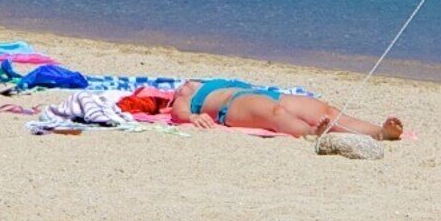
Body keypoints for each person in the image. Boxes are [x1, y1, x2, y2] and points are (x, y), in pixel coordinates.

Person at [165, 78, 403, 142]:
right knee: (276, 115)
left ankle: (380, 133)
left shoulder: (210, 80)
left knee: (326, 110)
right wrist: (193, 117)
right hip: (234, 104)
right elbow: (179, 112)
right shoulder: (186, 93)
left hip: (261, 93)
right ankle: (310, 133)